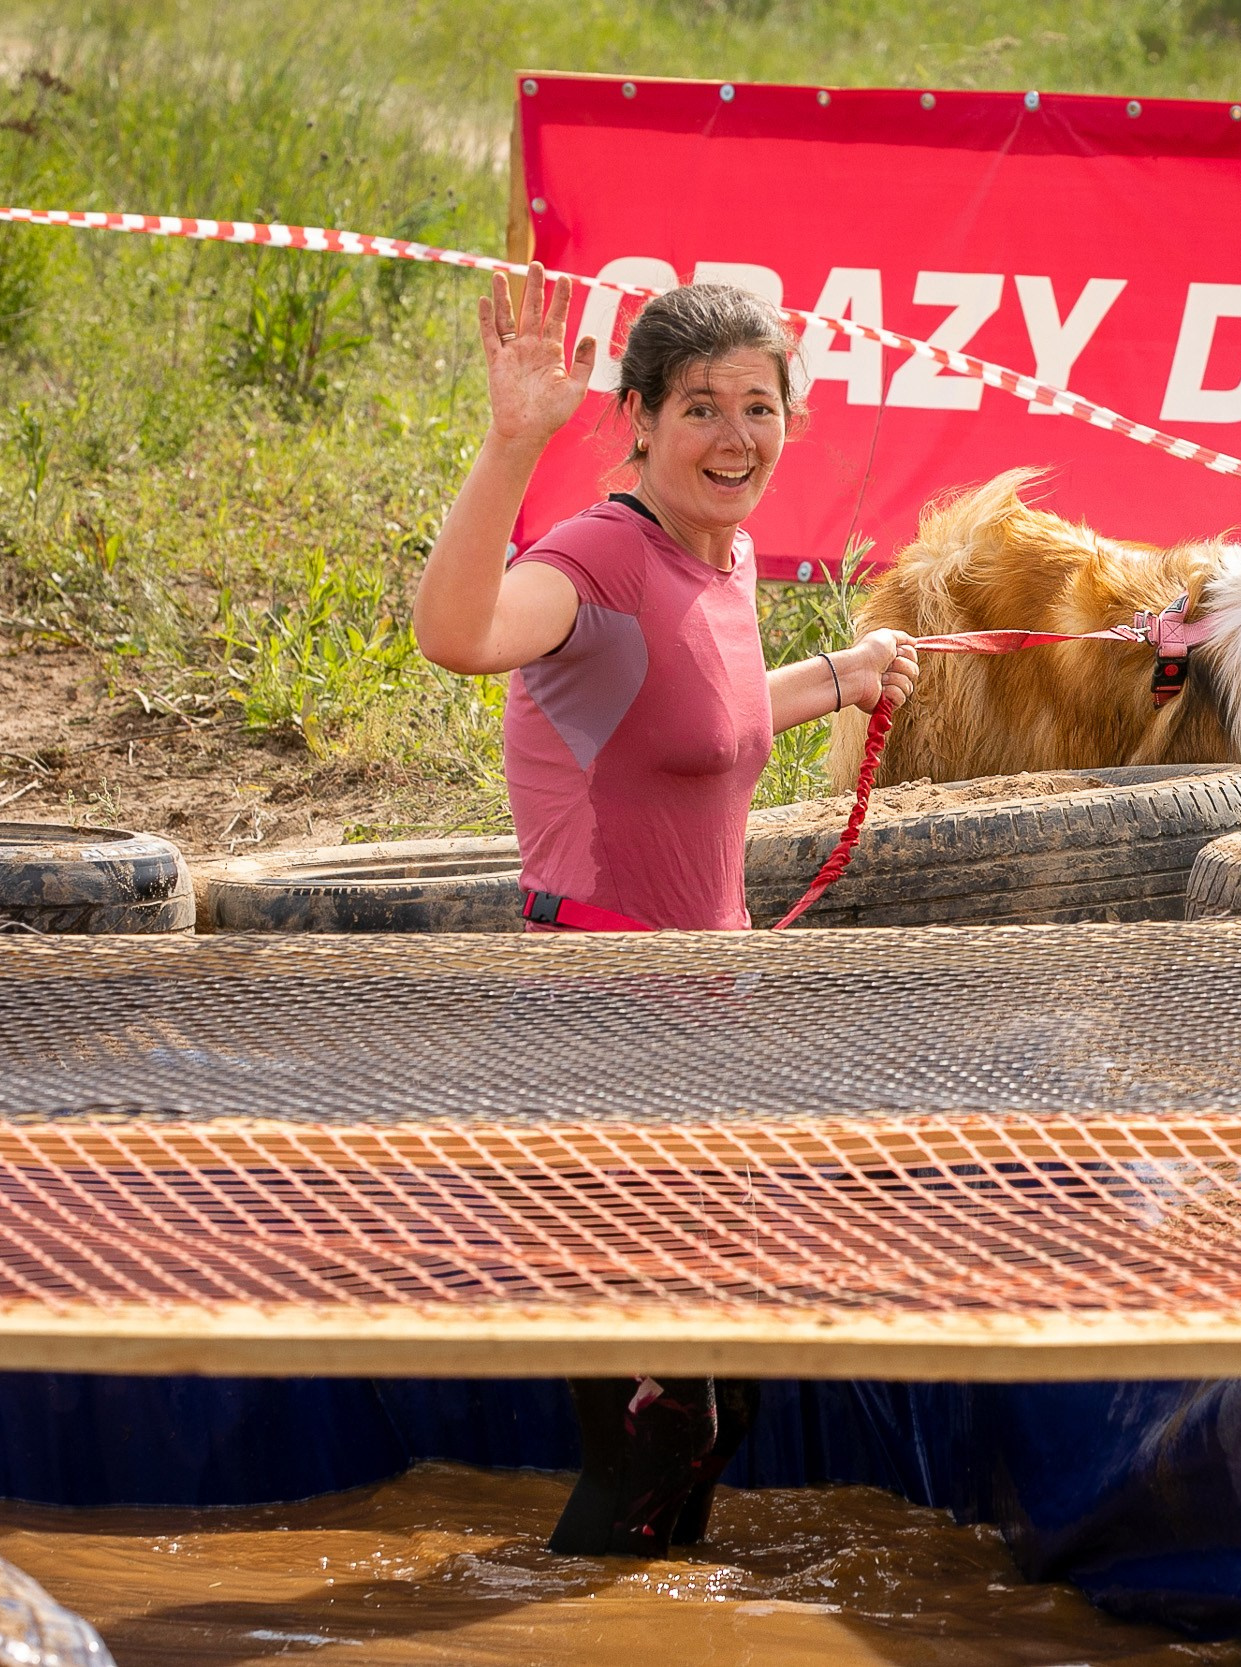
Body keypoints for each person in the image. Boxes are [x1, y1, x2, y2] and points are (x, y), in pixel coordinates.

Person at [411, 265, 918, 1555]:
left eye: (759, 406)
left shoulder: (723, 561)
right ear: (637, 419)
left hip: (708, 1027)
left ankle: (590, 1617)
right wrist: (510, 441)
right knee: (665, 1418)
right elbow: (461, 631)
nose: (734, 437)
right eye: (700, 407)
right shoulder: (596, 557)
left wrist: (841, 678)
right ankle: (534, 1630)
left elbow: (702, 717)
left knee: (715, 1398)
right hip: (598, 1033)